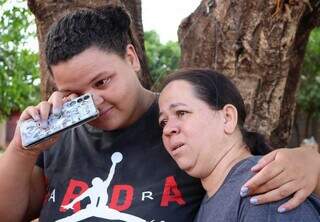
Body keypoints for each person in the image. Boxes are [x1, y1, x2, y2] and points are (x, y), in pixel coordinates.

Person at [0, 5, 319, 222]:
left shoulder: (183, 131)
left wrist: (312, 162)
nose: (94, 102)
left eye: (102, 82)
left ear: (131, 57)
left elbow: (245, 170)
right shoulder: (56, 139)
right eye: (74, 94)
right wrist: (21, 149)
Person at [158, 68, 320, 221]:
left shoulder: (265, 188)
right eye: (163, 122)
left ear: (228, 118)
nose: (167, 129)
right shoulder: (212, 196)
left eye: (181, 113)